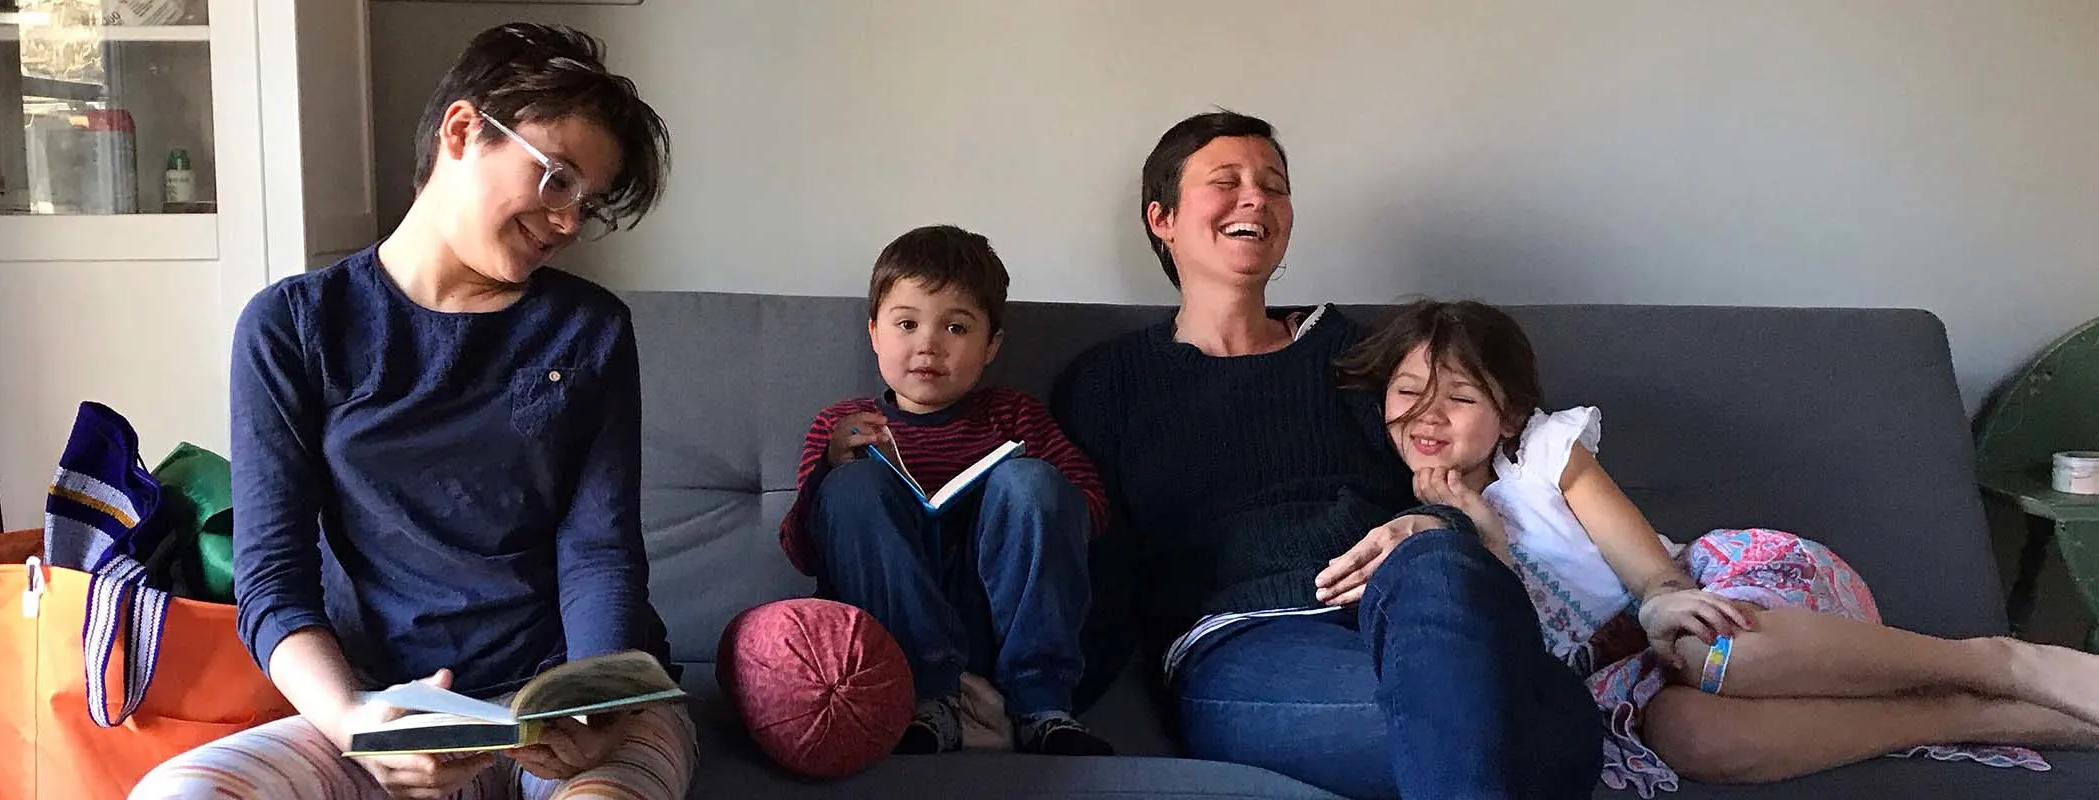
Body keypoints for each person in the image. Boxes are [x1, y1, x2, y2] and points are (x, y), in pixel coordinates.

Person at [130, 23, 693, 800]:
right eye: (557, 179)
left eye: (587, 203)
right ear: (464, 131)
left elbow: (599, 551)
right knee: (180, 794)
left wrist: (596, 711)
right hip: (386, 707)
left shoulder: (588, 329)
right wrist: (357, 723)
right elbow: (273, 583)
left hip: (568, 711)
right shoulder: (293, 326)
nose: (568, 223)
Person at [1048, 111, 1601, 798]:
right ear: (1162, 219)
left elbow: (1452, 486)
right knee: (1538, 732)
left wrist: (1434, 525)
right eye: (1227, 181)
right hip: (1247, 644)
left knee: (1439, 575)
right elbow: (1098, 561)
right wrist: (1033, 701)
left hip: (1414, 613)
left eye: (1274, 186)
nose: (1256, 198)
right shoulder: (1110, 383)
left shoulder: (1362, 357)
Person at [1339, 299, 2099, 795]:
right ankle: (1970, 715)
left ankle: (1996, 660)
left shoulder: (1544, 456)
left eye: (1460, 397)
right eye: (1408, 392)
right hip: (1625, 681)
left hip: (1711, 599)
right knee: (1686, 735)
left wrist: (1668, 601)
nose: (1427, 415)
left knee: (1710, 650)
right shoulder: (1406, 527)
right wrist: (1483, 539)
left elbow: (1651, 571)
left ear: (1508, 417)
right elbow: (1508, 674)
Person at [779, 224, 1116, 756]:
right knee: (854, 488)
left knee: (1031, 483)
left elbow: (1093, 509)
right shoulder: (840, 424)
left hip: (994, 617)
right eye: (907, 324)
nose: (928, 346)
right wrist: (828, 470)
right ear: (873, 332)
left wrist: (1024, 493)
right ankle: (926, 699)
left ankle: (1041, 705)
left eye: (956, 328)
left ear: (991, 346)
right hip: (891, 624)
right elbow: (801, 551)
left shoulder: (1014, 414)